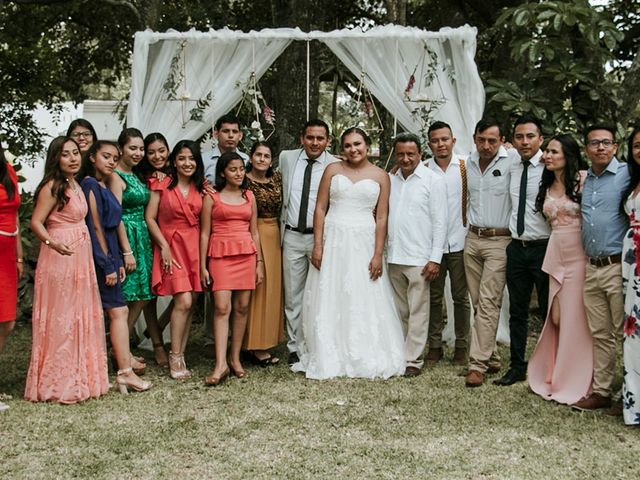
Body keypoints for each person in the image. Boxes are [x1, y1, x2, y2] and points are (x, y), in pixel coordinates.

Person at [292, 127, 405, 379]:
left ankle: (362, 348)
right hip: (333, 238)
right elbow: (320, 208)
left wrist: (378, 253)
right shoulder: (332, 170)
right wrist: (318, 245)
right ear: (342, 149)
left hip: (364, 239)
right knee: (330, 291)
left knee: (362, 291)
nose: (353, 149)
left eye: (358, 144)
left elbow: (383, 216)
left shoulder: (381, 176)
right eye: (348, 145)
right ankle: (329, 349)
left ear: (367, 145)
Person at [24, 136, 109, 403]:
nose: (73, 158)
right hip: (59, 258)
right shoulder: (52, 186)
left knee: (79, 315)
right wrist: (54, 243)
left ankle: (80, 376)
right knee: (63, 318)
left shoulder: (77, 184)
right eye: (66, 154)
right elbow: (36, 222)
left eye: (75, 153)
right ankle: (57, 381)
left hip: (80, 259)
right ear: (55, 159)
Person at [80, 140, 151, 394]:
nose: (111, 161)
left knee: (117, 312)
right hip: (102, 256)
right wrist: (108, 263)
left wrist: (119, 259)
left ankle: (119, 371)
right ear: (92, 158)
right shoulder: (89, 184)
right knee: (117, 312)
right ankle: (124, 372)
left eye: (114, 157)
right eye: (106, 156)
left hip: (112, 253)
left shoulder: (102, 184)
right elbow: (96, 227)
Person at [527, 134, 593, 404]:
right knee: (554, 317)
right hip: (556, 253)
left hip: (579, 255)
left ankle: (576, 378)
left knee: (576, 319)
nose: (547, 156)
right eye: (547, 152)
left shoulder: (584, 180)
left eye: (553, 151)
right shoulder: (545, 184)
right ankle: (554, 371)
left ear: (567, 154)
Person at [573, 124, 629, 410]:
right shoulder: (586, 179)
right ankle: (602, 391)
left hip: (618, 265)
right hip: (591, 267)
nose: (601, 148)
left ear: (616, 147)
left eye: (606, 142)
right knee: (600, 333)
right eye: (595, 143)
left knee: (625, 334)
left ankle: (629, 394)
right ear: (586, 149)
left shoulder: (627, 175)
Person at [494, 115, 550, 387]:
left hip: (545, 247)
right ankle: (517, 366)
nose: (525, 141)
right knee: (517, 311)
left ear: (541, 138)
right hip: (517, 247)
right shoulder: (511, 163)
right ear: (512, 140)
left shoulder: (551, 165)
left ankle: (550, 368)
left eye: (530, 136)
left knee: (550, 311)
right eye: (519, 136)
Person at [200, 152, 263, 386]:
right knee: (221, 307)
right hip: (220, 254)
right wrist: (202, 265)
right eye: (232, 169)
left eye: (240, 169)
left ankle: (235, 359)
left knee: (242, 307)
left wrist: (259, 263)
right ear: (223, 172)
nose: (238, 173)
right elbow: (204, 233)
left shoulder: (249, 196)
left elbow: (254, 231)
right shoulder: (212, 197)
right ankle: (220, 364)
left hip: (246, 254)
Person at [387, 133, 447, 377]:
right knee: (398, 310)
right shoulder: (390, 180)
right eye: (400, 154)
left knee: (418, 311)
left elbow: (440, 222)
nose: (405, 158)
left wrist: (435, 258)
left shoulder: (432, 180)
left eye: (410, 154)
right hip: (393, 256)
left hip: (420, 258)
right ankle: (397, 353)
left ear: (420, 154)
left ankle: (413, 360)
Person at [279, 119, 338, 365]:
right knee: (293, 296)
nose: (315, 143)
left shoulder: (336, 165)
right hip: (291, 235)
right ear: (302, 139)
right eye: (310, 138)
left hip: (321, 237)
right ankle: (294, 346)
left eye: (320, 138)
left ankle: (318, 342)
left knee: (321, 293)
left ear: (327, 141)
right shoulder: (286, 158)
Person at [146, 140, 204, 380]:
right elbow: (150, 218)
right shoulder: (161, 184)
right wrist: (164, 246)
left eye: (191, 158)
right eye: (182, 158)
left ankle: (180, 349)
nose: (187, 163)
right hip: (170, 245)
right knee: (184, 300)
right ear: (174, 161)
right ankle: (175, 355)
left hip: (194, 247)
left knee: (191, 301)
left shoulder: (203, 188)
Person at [464, 118, 515, 388]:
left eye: (492, 141)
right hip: (472, 239)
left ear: (502, 140)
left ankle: (477, 365)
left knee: (488, 301)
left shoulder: (513, 160)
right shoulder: (467, 162)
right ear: (474, 138)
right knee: (477, 302)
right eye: (482, 140)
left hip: (499, 241)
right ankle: (492, 356)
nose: (486, 146)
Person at [425, 121, 472, 365]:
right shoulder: (423, 169)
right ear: (429, 143)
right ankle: (434, 345)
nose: (441, 144)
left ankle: (462, 346)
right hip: (432, 245)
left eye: (445, 139)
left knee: (460, 297)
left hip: (460, 240)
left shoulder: (467, 166)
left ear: (453, 140)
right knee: (433, 297)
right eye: (435, 140)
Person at [109, 128, 154, 367]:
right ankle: (120, 352)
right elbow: (115, 216)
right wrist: (126, 251)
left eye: (140, 149)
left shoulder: (136, 175)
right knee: (127, 297)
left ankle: (121, 348)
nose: (138, 153)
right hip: (126, 237)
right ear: (121, 149)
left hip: (142, 237)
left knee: (143, 295)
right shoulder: (116, 176)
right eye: (132, 148)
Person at [131, 132, 173, 367]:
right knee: (150, 295)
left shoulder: (175, 173)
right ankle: (157, 344)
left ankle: (159, 325)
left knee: (188, 292)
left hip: (173, 237)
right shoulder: (141, 177)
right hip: (146, 237)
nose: (157, 156)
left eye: (161, 150)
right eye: (151, 152)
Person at [243, 142, 284, 366]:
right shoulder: (243, 179)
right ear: (250, 157)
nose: (261, 159)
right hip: (251, 232)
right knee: (254, 288)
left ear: (271, 159)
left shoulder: (277, 178)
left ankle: (267, 340)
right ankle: (251, 344)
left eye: (266, 155)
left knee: (272, 289)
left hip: (274, 233)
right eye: (257, 154)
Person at [0, 145, 23, 412]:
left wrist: (18, 256)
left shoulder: (7, 170)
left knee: (7, 321)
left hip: (7, 254)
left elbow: (15, 213)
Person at [621, 125, 640, 424]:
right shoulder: (633, 182)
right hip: (632, 262)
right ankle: (633, 404)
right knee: (633, 332)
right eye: (637, 145)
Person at [202, 113, 249, 183]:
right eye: (226, 131)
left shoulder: (246, 160)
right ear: (216, 134)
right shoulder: (203, 160)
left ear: (240, 136)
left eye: (235, 132)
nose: (230, 135)